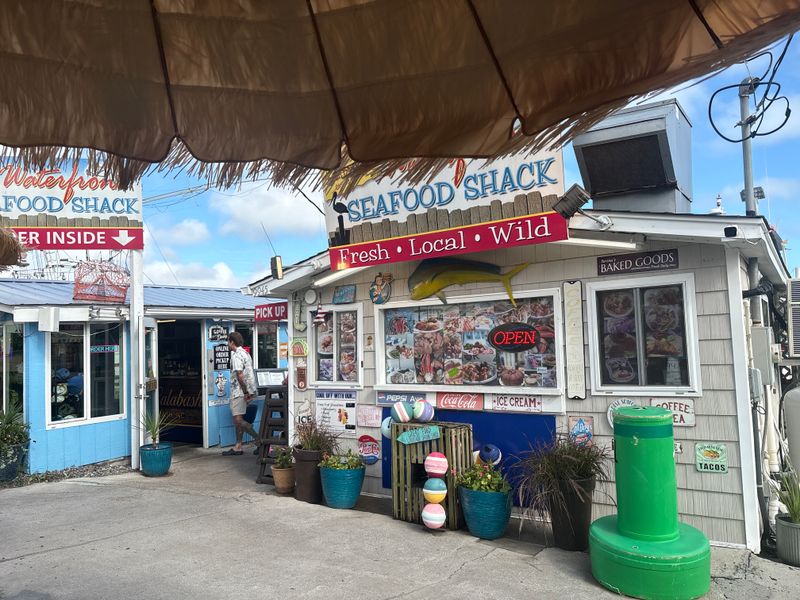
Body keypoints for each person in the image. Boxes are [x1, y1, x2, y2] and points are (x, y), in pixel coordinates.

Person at [222, 331, 261, 455]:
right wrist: (249, 391)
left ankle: (260, 441)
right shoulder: (245, 353)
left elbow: (240, 375)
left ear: (232, 342)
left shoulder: (236, 355)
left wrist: (245, 392)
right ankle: (238, 446)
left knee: (238, 420)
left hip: (239, 391)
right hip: (248, 389)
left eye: (228, 341)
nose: (227, 344)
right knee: (239, 419)